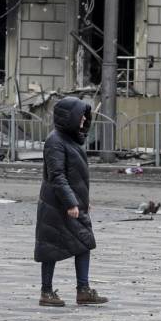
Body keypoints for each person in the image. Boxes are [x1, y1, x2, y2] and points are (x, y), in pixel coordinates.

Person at [34, 96, 109, 307]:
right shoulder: (55, 141)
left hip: (72, 202)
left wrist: (83, 201)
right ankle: (46, 292)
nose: (84, 121)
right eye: (81, 117)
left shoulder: (71, 139)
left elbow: (75, 176)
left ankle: (83, 290)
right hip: (55, 203)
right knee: (50, 246)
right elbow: (57, 175)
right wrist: (71, 203)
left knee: (84, 242)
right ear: (69, 118)